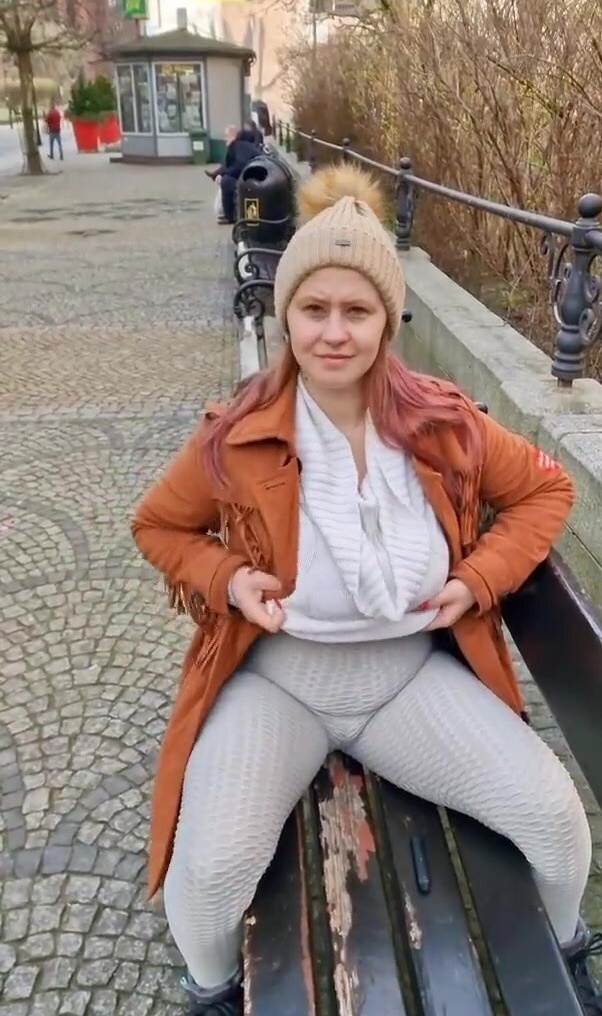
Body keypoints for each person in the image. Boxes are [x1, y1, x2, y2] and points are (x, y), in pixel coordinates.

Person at [132, 164, 601, 1016]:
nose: (335, 332)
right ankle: (213, 993)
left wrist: (479, 578)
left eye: (358, 310)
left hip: (406, 683)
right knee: (209, 873)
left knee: (556, 822)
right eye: (314, 309)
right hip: (280, 685)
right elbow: (159, 526)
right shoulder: (235, 435)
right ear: (286, 315)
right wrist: (227, 578)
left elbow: (546, 489)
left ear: (388, 318)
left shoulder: (443, 421)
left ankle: (565, 964)